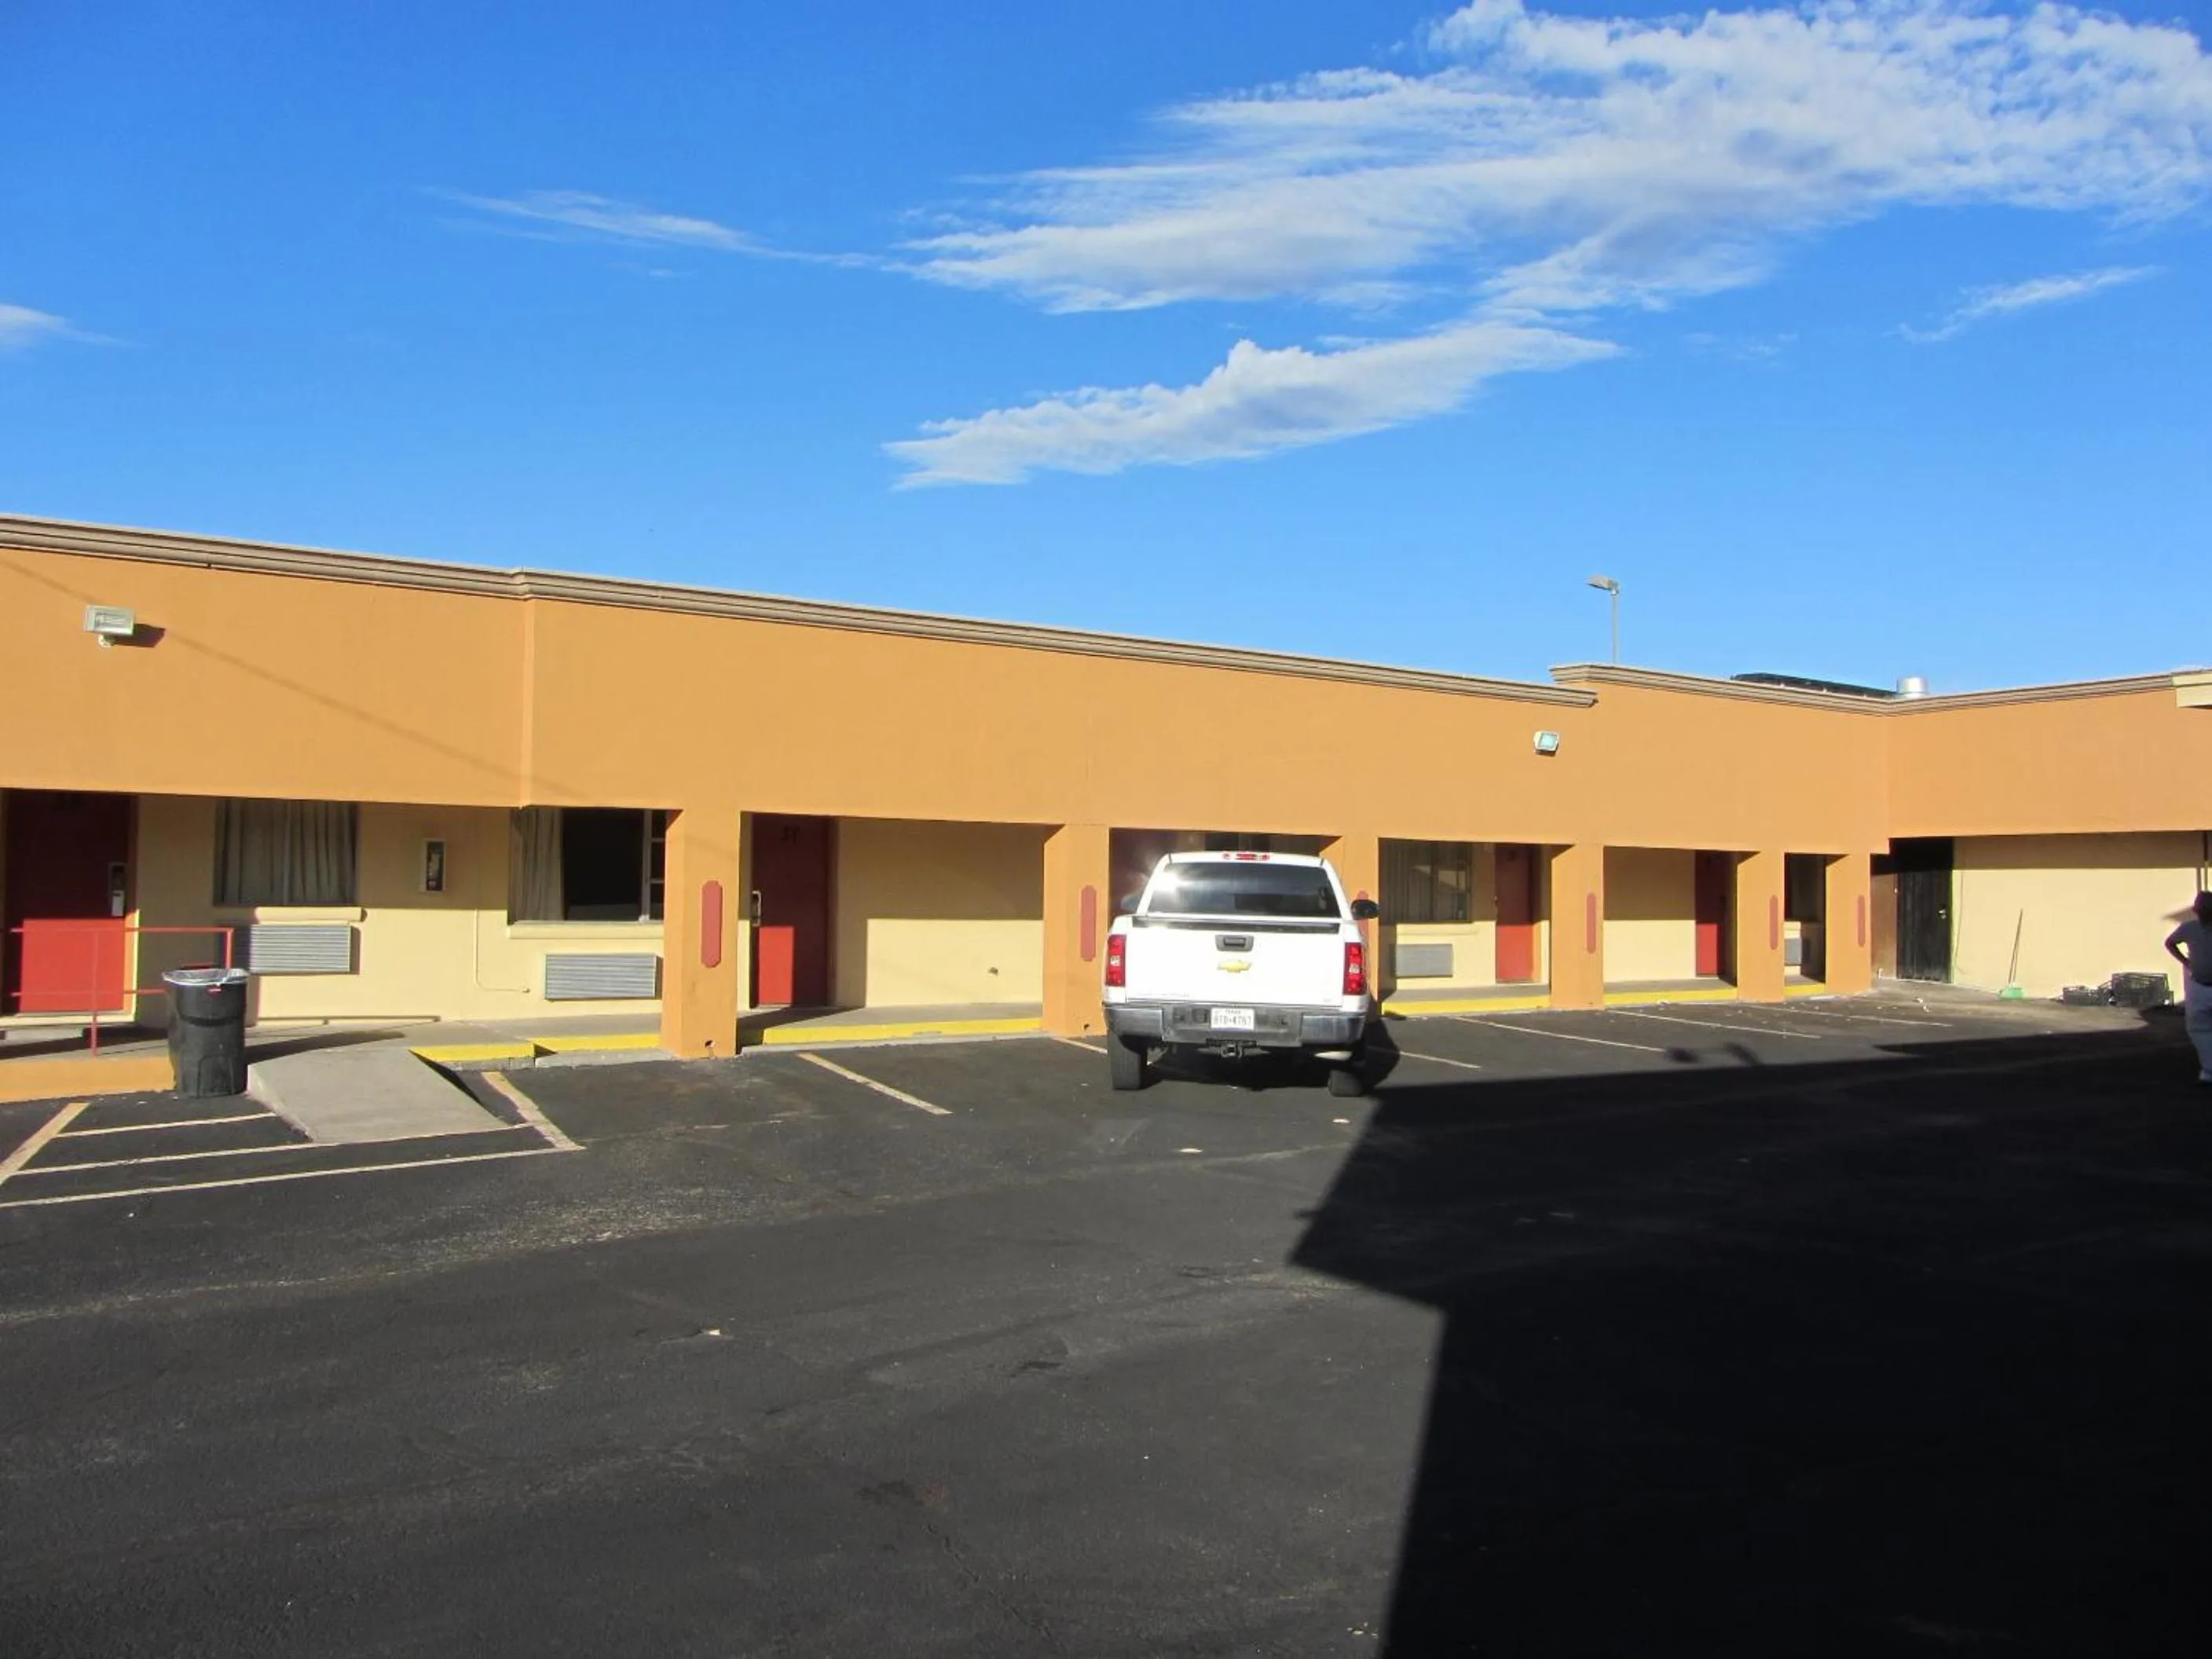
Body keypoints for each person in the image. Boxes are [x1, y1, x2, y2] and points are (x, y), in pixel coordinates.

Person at [2163, 891, 2212, 1083]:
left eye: (2208, 907)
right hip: (2199, 985)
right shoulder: (2189, 928)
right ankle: (2209, 1070)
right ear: (2196, 910)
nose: (2204, 911)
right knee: (2199, 1029)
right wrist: (2185, 961)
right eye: (2202, 907)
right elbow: (2170, 943)